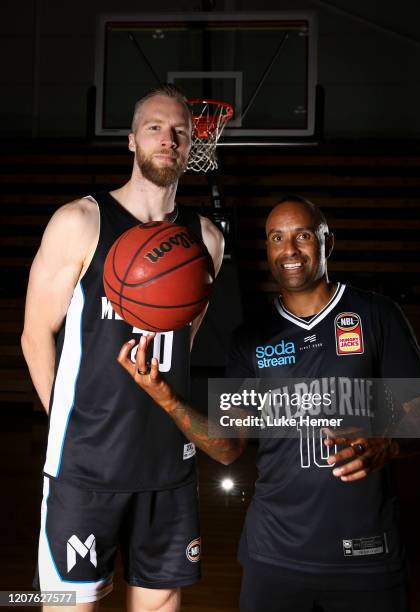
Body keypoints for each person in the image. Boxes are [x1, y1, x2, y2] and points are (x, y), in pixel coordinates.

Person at [119, 195, 420, 612]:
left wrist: (389, 440)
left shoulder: (376, 315)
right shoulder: (249, 337)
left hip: (366, 555)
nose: (289, 249)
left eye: (303, 235)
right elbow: (226, 447)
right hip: (274, 557)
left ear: (327, 243)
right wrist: (165, 398)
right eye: (277, 238)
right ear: (268, 250)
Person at [21, 84, 224, 611]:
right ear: (132, 141)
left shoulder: (207, 239)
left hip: (167, 469)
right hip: (86, 470)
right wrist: (67, 426)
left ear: (192, 144)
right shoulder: (80, 222)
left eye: (180, 129)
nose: (169, 137)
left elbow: (185, 339)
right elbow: (34, 332)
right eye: (155, 127)